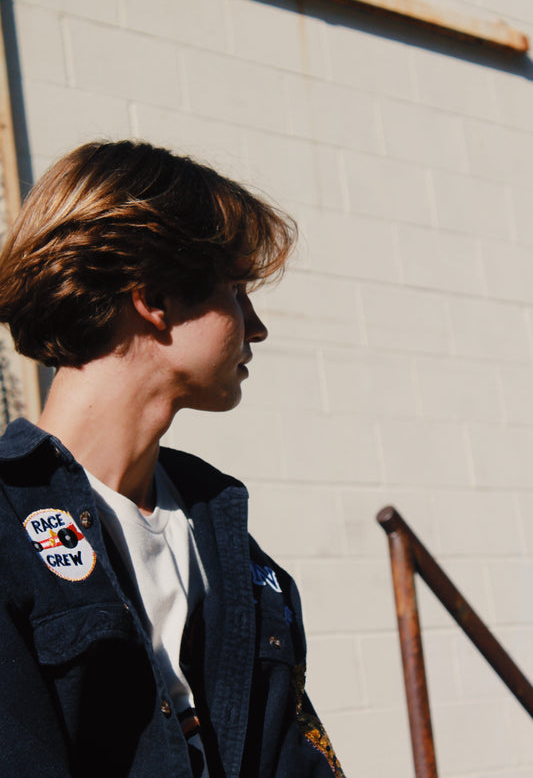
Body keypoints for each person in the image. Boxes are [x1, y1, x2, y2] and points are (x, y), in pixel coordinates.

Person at [0, 140, 345, 778]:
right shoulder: (7, 530)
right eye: (236, 291)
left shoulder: (231, 544)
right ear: (154, 298)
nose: (257, 326)